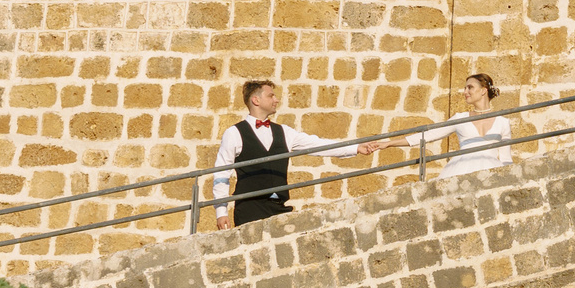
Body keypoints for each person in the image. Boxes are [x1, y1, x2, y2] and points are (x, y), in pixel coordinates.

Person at [211, 80, 348, 230]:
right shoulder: (234, 133)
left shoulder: (284, 132)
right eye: (271, 96)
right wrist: (221, 212)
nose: (276, 100)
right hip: (249, 209)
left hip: (279, 208)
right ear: (256, 100)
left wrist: (356, 147)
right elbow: (221, 172)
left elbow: (316, 145)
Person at [356, 72, 514, 179]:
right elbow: (429, 135)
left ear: (483, 91)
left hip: (490, 168)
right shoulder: (460, 118)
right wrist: (388, 143)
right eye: (465, 88)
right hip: (461, 168)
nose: (465, 91)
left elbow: (506, 158)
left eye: (470, 87)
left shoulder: (503, 122)